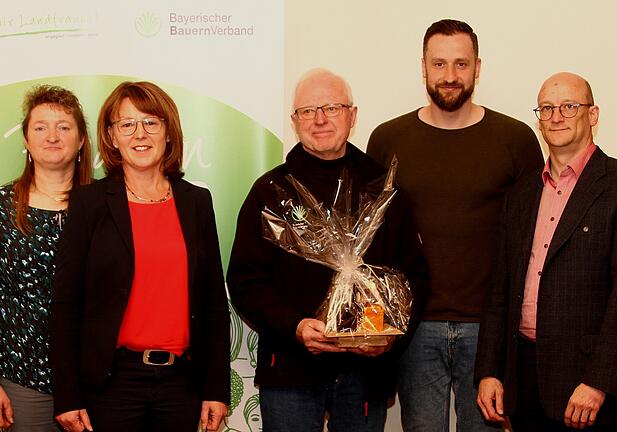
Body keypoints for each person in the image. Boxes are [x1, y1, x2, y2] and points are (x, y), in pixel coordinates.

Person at [367, 19, 543, 431]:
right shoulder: (387, 139)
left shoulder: (515, 139)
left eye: (461, 64)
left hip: (490, 329)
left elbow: (532, 239)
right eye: (440, 64)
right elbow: (372, 242)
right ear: (423, 66)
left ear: (478, 67)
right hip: (414, 328)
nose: (450, 76)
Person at [227, 68, 428, 432]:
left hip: (366, 374)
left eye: (332, 108)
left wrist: (387, 340)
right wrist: (296, 326)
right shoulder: (270, 191)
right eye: (308, 110)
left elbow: (415, 277)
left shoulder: (383, 188)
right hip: (290, 370)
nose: (320, 119)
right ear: (294, 121)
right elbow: (245, 281)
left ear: (352, 116)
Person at [475, 72, 617, 431]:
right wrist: (488, 370)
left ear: (593, 115)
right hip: (523, 379)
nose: (556, 116)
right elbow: (500, 287)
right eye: (547, 108)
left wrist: (599, 381)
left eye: (569, 106)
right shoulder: (521, 192)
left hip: (586, 387)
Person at [50, 81, 230, 432]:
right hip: (112, 384)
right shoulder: (90, 203)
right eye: (127, 124)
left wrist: (216, 389)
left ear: (168, 132)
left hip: (182, 383)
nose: (140, 134)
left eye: (151, 122)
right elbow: (65, 304)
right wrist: (68, 395)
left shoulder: (196, 202)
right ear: (112, 137)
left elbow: (213, 304)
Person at [0, 85, 92, 432]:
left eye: (64, 127)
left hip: (95, 381)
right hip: (21, 378)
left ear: (81, 140)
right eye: (40, 127)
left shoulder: (105, 207)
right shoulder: (2, 207)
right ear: (25, 139)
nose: (52, 136)